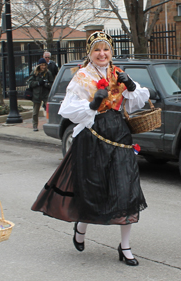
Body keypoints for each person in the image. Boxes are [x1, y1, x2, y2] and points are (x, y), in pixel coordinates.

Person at [31, 31, 150, 266]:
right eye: (97, 49)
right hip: (93, 137)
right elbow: (67, 109)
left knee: (125, 189)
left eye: (106, 49)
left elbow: (138, 101)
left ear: (111, 52)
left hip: (119, 135)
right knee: (93, 188)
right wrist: (93, 103)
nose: (102, 53)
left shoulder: (118, 73)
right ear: (90, 53)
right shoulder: (82, 77)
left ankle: (125, 247)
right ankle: (81, 227)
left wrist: (132, 86)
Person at [27, 58, 54, 131]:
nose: (43, 67)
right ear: (39, 65)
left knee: (48, 110)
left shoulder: (48, 73)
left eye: (44, 65)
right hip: (36, 94)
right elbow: (30, 83)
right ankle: (35, 125)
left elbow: (52, 84)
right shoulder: (35, 73)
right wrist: (38, 83)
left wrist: (46, 84)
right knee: (35, 112)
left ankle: (50, 124)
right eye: (42, 65)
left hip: (45, 94)